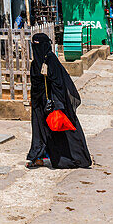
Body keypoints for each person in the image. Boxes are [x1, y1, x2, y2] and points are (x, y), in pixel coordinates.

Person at [26, 33, 92, 169]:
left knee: (61, 131)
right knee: (40, 130)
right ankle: (38, 157)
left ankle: (76, 157)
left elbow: (59, 84)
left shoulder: (51, 61)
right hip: (39, 103)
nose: (35, 48)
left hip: (53, 103)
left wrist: (57, 104)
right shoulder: (35, 63)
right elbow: (34, 84)